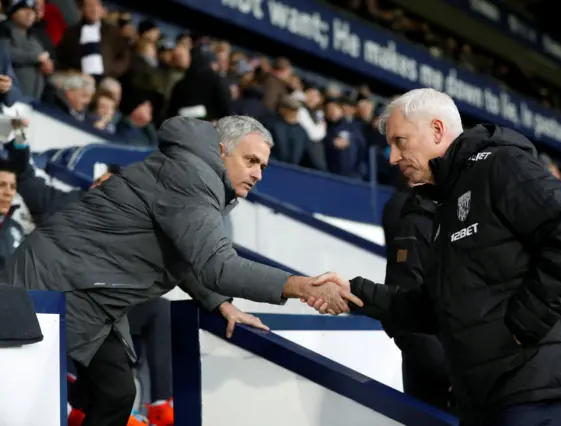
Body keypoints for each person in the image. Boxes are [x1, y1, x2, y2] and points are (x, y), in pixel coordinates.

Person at [1, 115, 361, 426]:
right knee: (32, 396)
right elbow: (219, 264)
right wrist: (301, 286)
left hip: (90, 297)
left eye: (263, 166)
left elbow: (184, 253)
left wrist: (220, 302)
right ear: (221, 150)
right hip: (51, 287)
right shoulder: (192, 176)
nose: (257, 174)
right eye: (251, 160)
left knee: (116, 392)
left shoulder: (197, 173)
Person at [304, 89, 561, 426]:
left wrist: (525, 324)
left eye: (400, 141)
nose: (392, 158)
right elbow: (437, 306)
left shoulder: (503, 164)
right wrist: (354, 292)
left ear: (437, 130)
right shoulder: (446, 201)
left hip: (529, 387)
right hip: (484, 395)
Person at [382, 183, 452, 412]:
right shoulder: (414, 220)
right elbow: (404, 313)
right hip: (438, 390)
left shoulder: (470, 216)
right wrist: (456, 375)